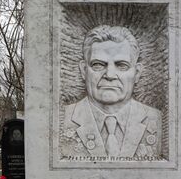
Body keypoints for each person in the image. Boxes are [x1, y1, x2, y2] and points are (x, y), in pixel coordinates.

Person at [59, 25, 162, 159]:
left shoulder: (157, 120)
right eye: (98, 65)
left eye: (122, 65)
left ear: (137, 73)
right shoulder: (63, 119)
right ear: (84, 70)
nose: (110, 74)